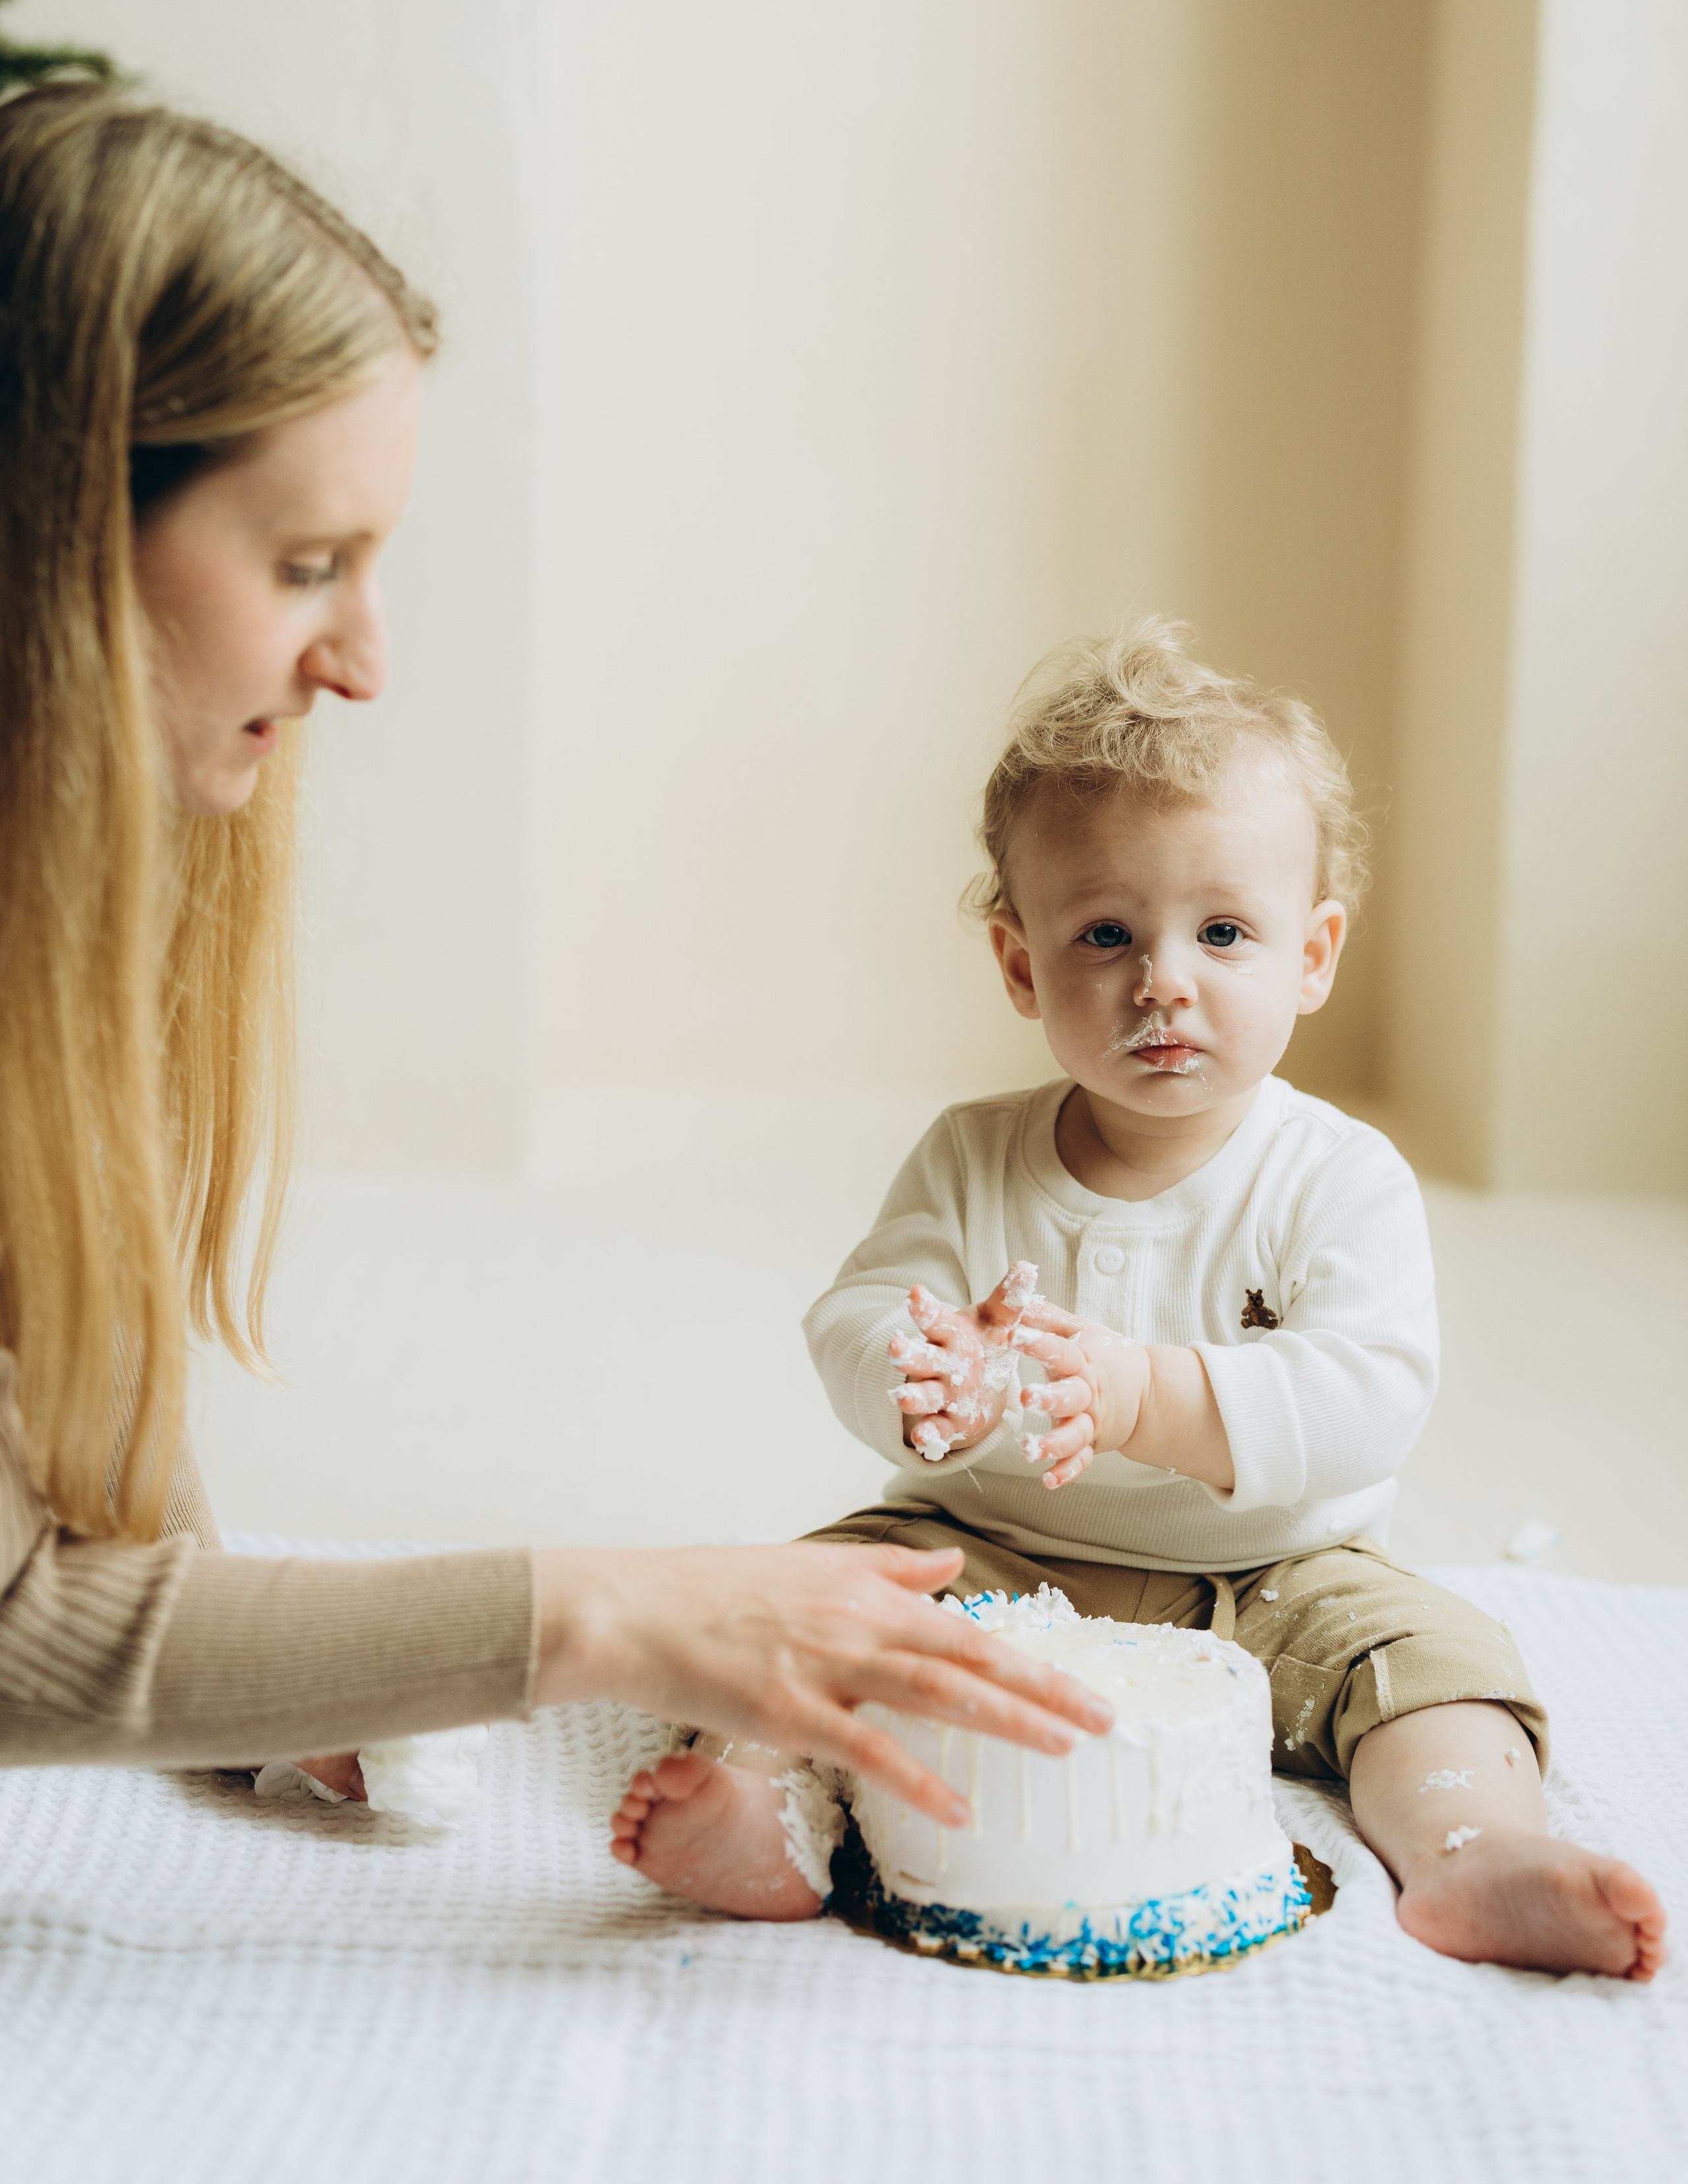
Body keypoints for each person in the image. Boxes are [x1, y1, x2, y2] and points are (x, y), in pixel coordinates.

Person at [0, 84, 1112, 1815]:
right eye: (306, 565)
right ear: (49, 533)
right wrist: (597, 1612)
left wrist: (262, 1661)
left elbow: (78, 1487)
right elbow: (17, 1630)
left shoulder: (67, 906)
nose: (364, 661)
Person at [612, 622, 1669, 1980]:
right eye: (1104, 933)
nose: (1161, 979)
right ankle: (762, 1808)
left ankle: (1472, 1854)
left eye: (1222, 931)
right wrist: (922, 1381)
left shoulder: (1331, 1177)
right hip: (987, 1548)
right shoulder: (969, 1154)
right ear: (1017, 966)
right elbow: (857, 1313)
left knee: (1436, 1659)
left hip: (1275, 1572)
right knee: (807, 1602)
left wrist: (1144, 1397)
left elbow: (1368, 1397)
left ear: (1311, 954)